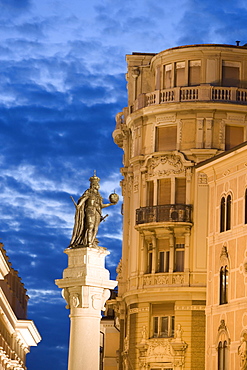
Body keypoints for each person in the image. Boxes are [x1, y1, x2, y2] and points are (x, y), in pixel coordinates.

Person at [69, 173, 117, 248]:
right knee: (90, 226)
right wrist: (79, 205)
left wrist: (111, 204)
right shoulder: (89, 192)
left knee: (95, 228)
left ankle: (92, 241)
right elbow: (83, 199)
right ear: (93, 184)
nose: (98, 186)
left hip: (97, 212)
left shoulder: (99, 196)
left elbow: (101, 206)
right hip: (90, 211)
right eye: (97, 184)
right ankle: (89, 243)